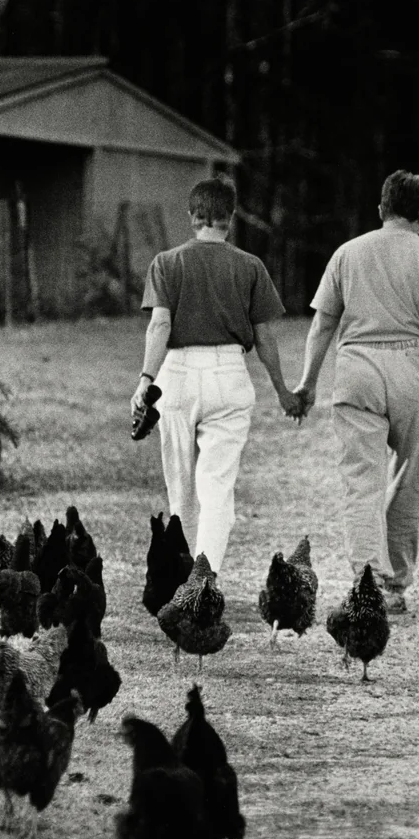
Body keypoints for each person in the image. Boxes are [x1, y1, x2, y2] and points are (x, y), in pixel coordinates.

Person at [293, 170, 419, 613]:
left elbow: (323, 324)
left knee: (361, 481)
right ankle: (395, 585)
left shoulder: (347, 254)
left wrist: (308, 381)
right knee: (408, 478)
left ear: (381, 209)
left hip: (359, 369)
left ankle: (368, 578)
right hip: (415, 370)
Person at [132, 176, 303, 575]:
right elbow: (265, 337)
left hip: (176, 374)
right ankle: (205, 580)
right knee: (217, 487)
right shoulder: (249, 266)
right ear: (230, 218)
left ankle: (184, 575)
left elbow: (159, 326)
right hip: (229, 374)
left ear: (193, 216)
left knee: (182, 491)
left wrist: (145, 379)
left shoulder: (167, 263)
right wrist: (282, 391)